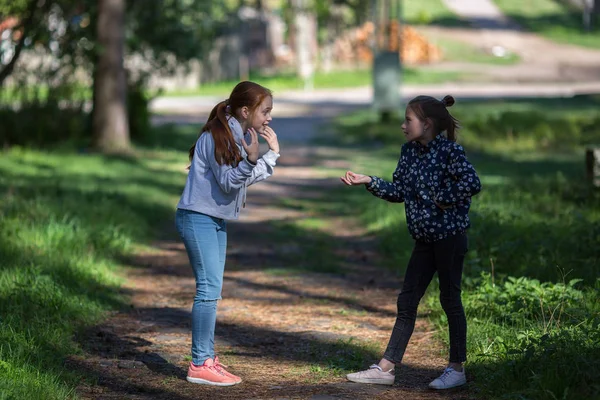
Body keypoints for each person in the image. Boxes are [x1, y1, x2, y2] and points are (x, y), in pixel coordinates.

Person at [341, 95, 481, 390]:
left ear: (426, 124)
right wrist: (369, 181)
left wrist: (440, 199)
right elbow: (399, 191)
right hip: (424, 240)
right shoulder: (408, 152)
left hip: (449, 238)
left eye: (408, 120)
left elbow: (472, 183)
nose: (403, 125)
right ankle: (386, 368)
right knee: (407, 301)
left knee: (450, 300)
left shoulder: (450, 152)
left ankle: (456, 369)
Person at [175, 81, 280, 386]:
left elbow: (241, 180)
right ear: (246, 111)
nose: (269, 117)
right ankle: (199, 363)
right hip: (198, 218)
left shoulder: (236, 134)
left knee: (213, 291)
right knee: (208, 291)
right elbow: (229, 182)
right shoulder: (216, 136)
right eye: (266, 111)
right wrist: (250, 159)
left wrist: (270, 156)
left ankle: (206, 357)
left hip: (214, 219)